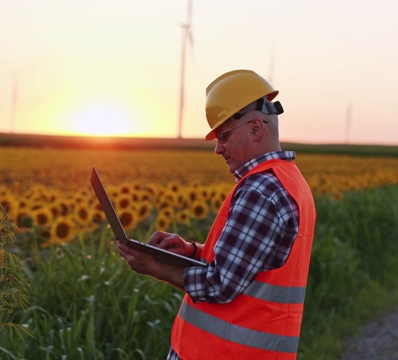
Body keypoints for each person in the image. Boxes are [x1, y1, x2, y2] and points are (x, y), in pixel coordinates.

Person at [117, 69, 316, 360]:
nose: (218, 148)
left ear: (256, 128)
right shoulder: (290, 180)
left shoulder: (260, 190)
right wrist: (192, 252)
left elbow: (220, 284)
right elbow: (250, 264)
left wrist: (155, 267)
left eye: (223, 135)